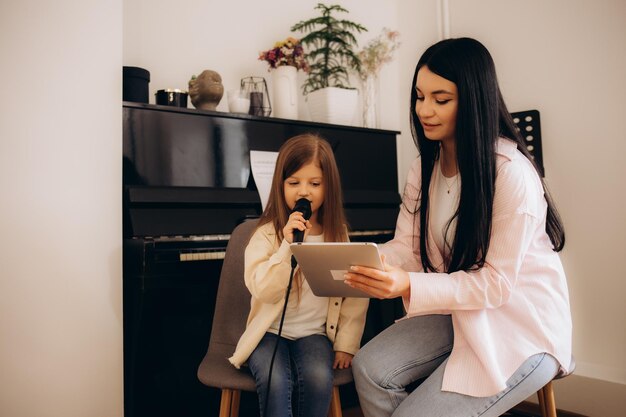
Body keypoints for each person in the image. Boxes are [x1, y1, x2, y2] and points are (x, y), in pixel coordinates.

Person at [343, 37, 573, 417]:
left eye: (441, 99)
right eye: (419, 96)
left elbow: (496, 284)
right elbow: (408, 247)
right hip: (461, 311)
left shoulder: (511, 175)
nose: (424, 110)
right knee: (369, 368)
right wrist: (367, 259)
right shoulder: (424, 167)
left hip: (521, 325)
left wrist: (408, 283)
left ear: (472, 100)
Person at [229, 134, 369, 417]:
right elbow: (264, 289)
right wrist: (287, 246)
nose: (304, 192)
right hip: (268, 334)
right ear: (280, 185)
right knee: (275, 379)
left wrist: (346, 345)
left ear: (329, 187)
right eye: (294, 183)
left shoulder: (337, 235)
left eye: (314, 184)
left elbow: (354, 293)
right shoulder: (266, 235)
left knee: (318, 378)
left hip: (314, 334)